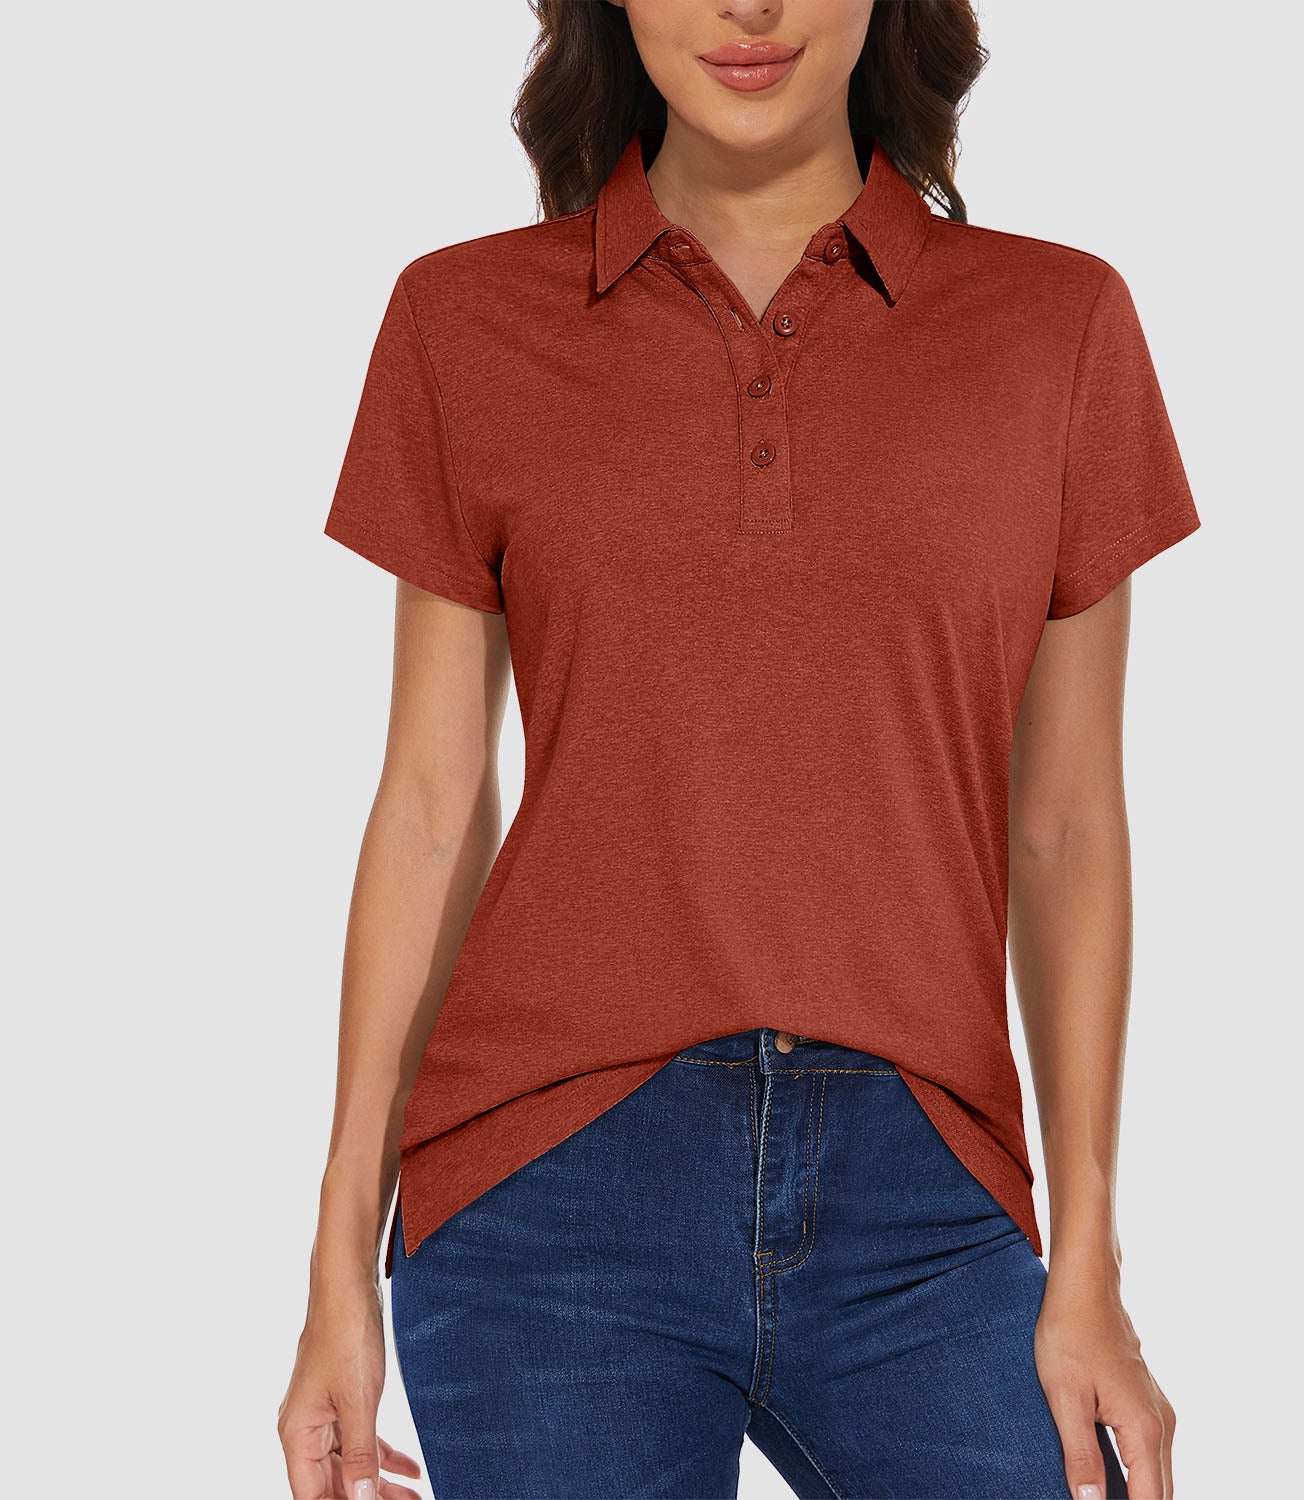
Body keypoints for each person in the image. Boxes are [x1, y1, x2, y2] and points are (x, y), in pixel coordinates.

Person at [278, 2, 1200, 1497]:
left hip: (926, 1184)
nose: (749, 8)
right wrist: (337, 1262)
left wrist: (1087, 1261)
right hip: (548, 1187)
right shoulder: (463, 321)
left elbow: (1069, 825)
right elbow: (433, 807)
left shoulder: (1059, 323)